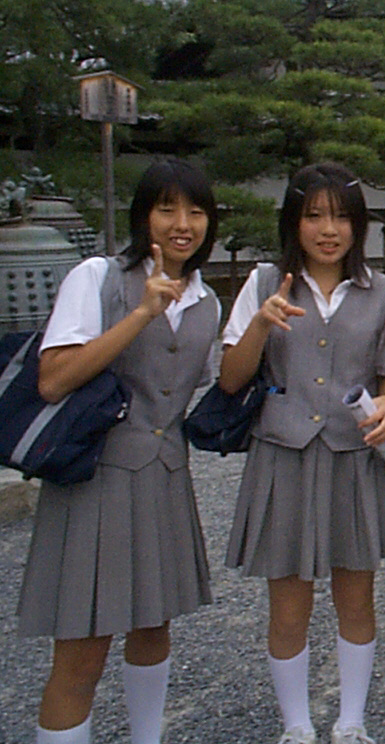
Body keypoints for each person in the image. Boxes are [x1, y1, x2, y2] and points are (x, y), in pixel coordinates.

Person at [20, 159, 220, 744]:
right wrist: (140, 314)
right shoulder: (99, 276)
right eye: (167, 209)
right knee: (82, 648)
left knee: (154, 629)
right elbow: (54, 379)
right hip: (94, 481)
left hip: (164, 478)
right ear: (143, 216)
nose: (182, 224)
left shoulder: (207, 301)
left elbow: (200, 390)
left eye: (196, 211)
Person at [220, 162, 385, 744]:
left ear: (359, 226)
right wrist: (257, 325)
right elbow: (228, 379)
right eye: (315, 215)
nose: (330, 229)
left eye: (343, 216)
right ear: (293, 221)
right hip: (284, 453)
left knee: (357, 595)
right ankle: (296, 724)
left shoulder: (384, 291)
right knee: (288, 602)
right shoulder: (263, 282)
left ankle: (351, 720)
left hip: (353, 454)